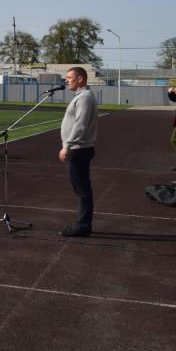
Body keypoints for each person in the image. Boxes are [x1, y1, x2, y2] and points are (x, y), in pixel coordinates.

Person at [59, 67, 99, 237]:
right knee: (82, 189)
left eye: (69, 77)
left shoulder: (84, 98)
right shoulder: (82, 97)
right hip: (79, 148)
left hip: (78, 149)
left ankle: (83, 226)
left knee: (82, 190)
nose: (67, 80)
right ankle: (84, 224)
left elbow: (80, 125)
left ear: (81, 79)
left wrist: (67, 146)